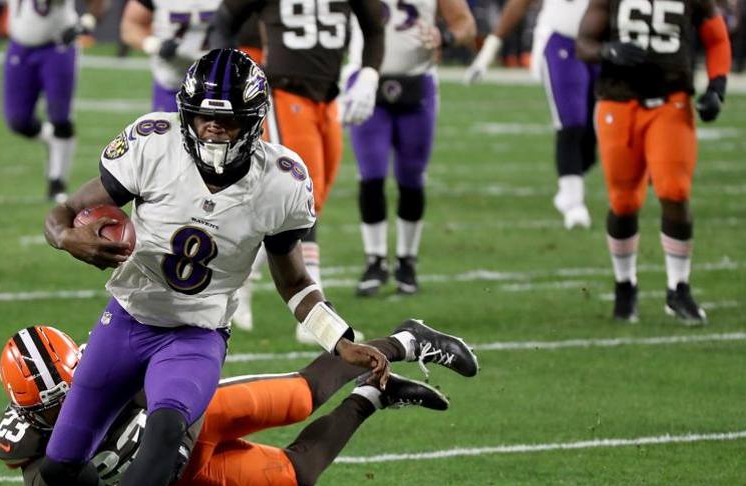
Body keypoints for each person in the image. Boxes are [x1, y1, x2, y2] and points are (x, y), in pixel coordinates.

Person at [40, 49, 392, 486]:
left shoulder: (280, 181)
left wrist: (337, 336)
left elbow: (293, 279)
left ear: (253, 121)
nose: (212, 126)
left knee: (166, 432)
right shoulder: (152, 144)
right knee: (56, 472)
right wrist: (68, 239)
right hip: (126, 320)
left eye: (225, 118)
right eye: (204, 114)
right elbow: (61, 214)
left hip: (195, 335)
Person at [0, 321, 477, 486]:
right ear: (28, 409)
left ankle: (405, 341)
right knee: (296, 476)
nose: (68, 406)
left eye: (72, 392)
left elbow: (169, 381)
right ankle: (375, 395)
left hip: (196, 414)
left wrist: (161, 436)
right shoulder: (26, 440)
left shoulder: (107, 361)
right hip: (176, 477)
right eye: (54, 406)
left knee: (300, 397)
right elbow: (48, 482)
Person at [209, 0, 385, 340]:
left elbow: (375, 25)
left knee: (311, 201)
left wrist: (370, 73)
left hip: (327, 95)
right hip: (284, 90)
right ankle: (316, 321)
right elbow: (225, 17)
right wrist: (228, 72)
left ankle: (238, 284)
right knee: (303, 198)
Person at [576, 0, 731, 324]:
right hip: (618, 103)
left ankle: (678, 288)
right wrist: (608, 51)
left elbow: (716, 38)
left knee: (674, 191)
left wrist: (717, 85)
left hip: (670, 101)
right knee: (623, 202)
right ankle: (625, 285)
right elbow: (584, 43)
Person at [347, 0, 475, 296]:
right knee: (371, 174)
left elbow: (466, 24)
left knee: (412, 177)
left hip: (418, 82)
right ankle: (375, 259)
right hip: (367, 80)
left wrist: (447, 36)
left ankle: (407, 260)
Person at [464, 0, 598, 231]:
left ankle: (572, 180)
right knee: (571, 121)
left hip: (599, 46)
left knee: (594, 130)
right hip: (561, 40)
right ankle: (572, 200)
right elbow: (519, 3)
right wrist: (488, 52)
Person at [0, 0, 107, 204]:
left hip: (58, 46)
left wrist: (84, 24)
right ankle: (51, 139)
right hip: (19, 46)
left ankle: (57, 182)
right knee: (18, 120)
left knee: (60, 116)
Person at [119, 0, 220, 112]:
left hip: (221, 77)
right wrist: (154, 45)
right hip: (173, 78)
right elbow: (131, 25)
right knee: (170, 128)